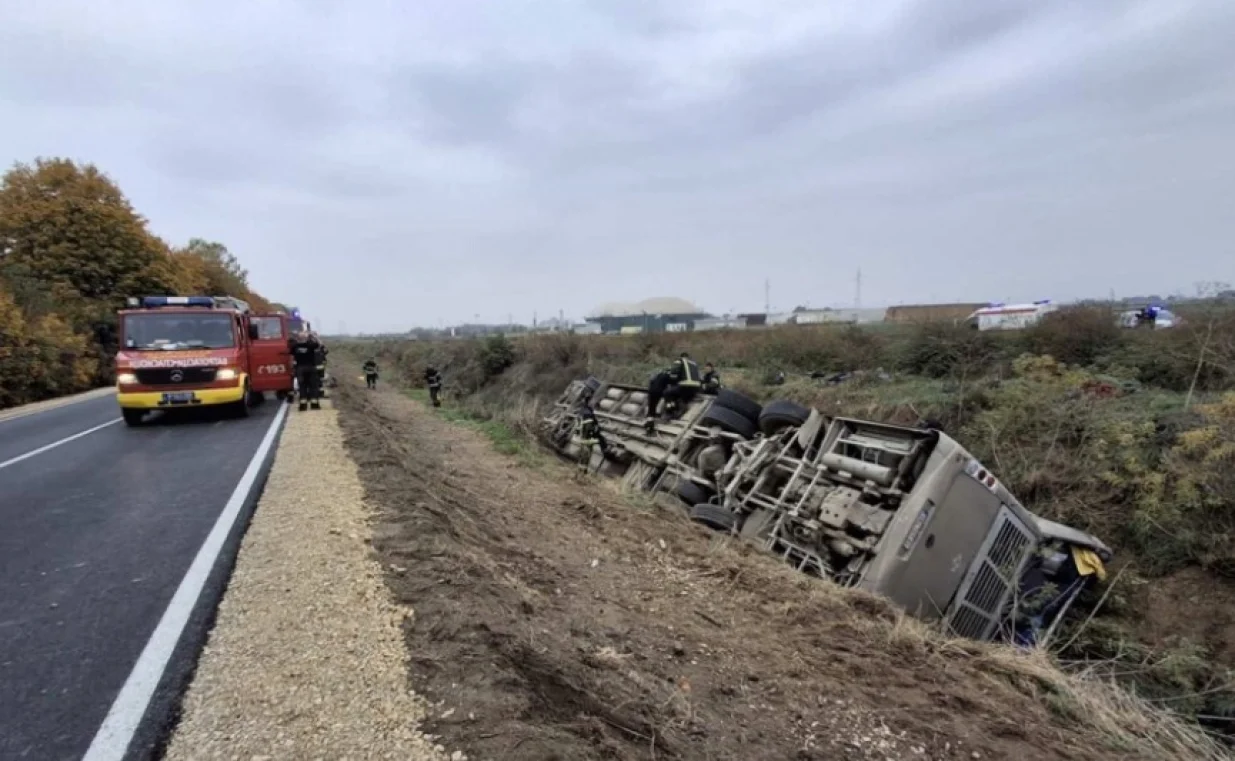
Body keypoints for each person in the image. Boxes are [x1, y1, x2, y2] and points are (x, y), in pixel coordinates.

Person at [645, 352, 702, 430]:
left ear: (681, 357)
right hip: (695, 388)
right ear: (688, 357)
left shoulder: (679, 361)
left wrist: (671, 376)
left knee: (667, 393)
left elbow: (674, 373)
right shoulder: (694, 364)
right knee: (675, 393)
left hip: (685, 386)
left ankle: (670, 411)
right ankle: (679, 405)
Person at [289, 329, 323, 410]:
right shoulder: (310, 345)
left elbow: (291, 357)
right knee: (313, 386)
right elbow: (320, 344)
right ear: (307, 338)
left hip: (300, 369)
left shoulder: (295, 346)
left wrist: (292, 368)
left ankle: (303, 406)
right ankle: (314, 405)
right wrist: (315, 337)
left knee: (302, 387)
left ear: (298, 338)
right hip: (311, 368)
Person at [572, 405, 605, 478]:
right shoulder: (589, 420)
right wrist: (597, 431)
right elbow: (591, 430)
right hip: (588, 441)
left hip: (583, 440)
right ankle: (582, 473)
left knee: (583, 457)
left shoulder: (581, 418)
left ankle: (579, 472)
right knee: (586, 456)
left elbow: (579, 429)